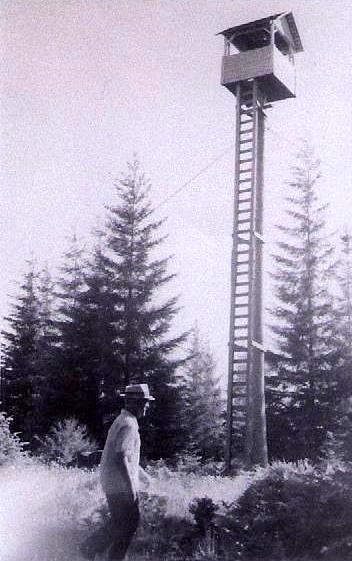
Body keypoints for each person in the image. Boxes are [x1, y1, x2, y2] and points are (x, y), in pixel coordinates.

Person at [80, 383, 155, 561]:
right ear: (135, 403)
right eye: (145, 402)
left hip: (114, 482)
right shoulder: (129, 424)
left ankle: (93, 547)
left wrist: (144, 477)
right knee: (129, 523)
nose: (147, 406)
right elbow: (120, 457)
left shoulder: (123, 420)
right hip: (120, 485)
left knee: (121, 523)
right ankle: (91, 546)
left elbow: (127, 457)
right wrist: (131, 488)